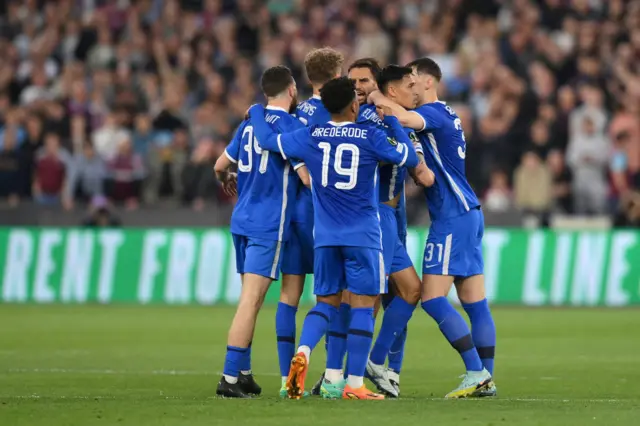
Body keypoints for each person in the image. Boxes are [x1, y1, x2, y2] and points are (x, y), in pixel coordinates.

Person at [248, 76, 433, 400]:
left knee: (326, 304)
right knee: (362, 307)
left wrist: (255, 111)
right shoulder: (369, 135)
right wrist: (391, 118)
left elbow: (266, 140)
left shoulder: (311, 135)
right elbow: (407, 156)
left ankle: (305, 353)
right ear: (353, 105)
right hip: (363, 234)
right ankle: (355, 384)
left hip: (325, 237)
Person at [369, 57, 496, 398]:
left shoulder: (435, 114)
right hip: (469, 212)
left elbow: (401, 117)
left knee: (432, 298)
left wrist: (377, 97)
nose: (411, 88)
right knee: (475, 303)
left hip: (452, 217)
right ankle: (487, 379)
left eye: (414, 82)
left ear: (428, 82)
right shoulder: (449, 115)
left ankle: (475, 371)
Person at [212, 66, 310, 399]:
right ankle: (228, 377)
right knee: (251, 301)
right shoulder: (293, 128)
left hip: (241, 221)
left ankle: (243, 372)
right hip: (268, 226)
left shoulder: (248, 125)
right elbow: (306, 177)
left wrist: (228, 179)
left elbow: (219, 166)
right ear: (292, 90)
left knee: (249, 301)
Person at [357, 64, 433, 398]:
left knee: (411, 290)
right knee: (369, 296)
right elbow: (417, 170)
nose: (414, 91)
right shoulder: (383, 122)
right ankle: (347, 372)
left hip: (385, 218)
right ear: (393, 92)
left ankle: (371, 361)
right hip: (375, 216)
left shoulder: (378, 116)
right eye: (408, 86)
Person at [276, 47, 344, 399]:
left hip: (294, 214)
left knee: (289, 295)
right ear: (335, 77)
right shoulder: (336, 112)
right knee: (333, 295)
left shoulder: (295, 111)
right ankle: (333, 376)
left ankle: (285, 374)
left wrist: (299, 168)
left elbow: (283, 145)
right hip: (325, 214)